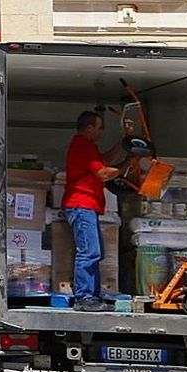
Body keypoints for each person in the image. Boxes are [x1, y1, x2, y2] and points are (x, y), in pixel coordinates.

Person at [61, 109, 125, 311]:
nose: (101, 132)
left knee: (95, 252)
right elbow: (104, 173)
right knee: (89, 252)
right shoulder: (82, 146)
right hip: (81, 205)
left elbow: (104, 161)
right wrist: (127, 167)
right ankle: (84, 297)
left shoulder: (88, 147)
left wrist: (123, 144)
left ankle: (93, 296)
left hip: (87, 206)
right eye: (99, 128)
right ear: (89, 128)